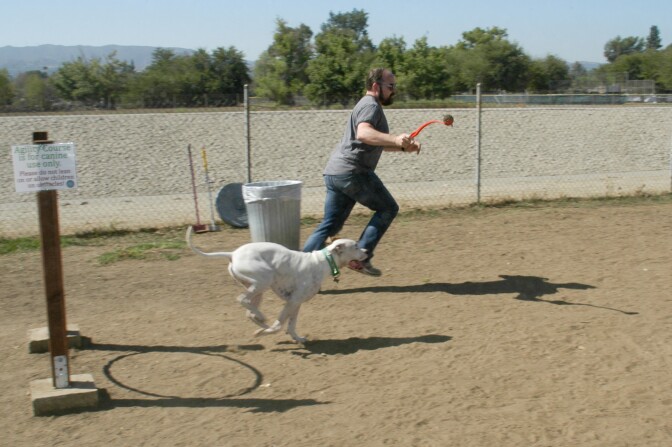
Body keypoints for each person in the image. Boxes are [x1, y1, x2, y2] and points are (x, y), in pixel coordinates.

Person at [302, 67, 421, 276]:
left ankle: (299, 269)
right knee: (388, 208)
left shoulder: (366, 105)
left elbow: (373, 142)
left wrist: (403, 147)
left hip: (336, 173)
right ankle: (361, 256)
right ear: (376, 86)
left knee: (330, 226)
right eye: (390, 86)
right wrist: (395, 139)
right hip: (353, 172)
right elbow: (364, 133)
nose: (394, 90)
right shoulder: (371, 105)